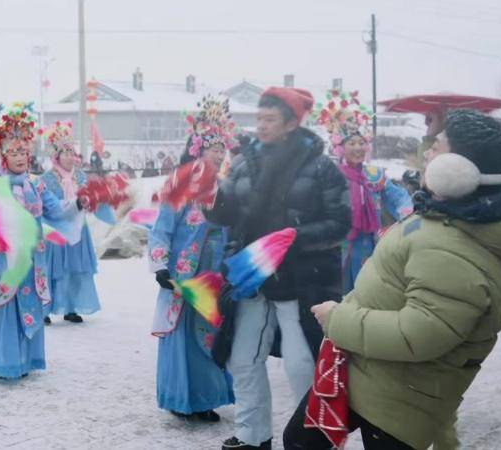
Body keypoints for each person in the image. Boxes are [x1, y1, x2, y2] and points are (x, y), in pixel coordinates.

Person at [284, 109, 501, 450]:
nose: (427, 153)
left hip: (398, 393)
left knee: (303, 441)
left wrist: (338, 319)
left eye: (437, 146)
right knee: (301, 439)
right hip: (369, 369)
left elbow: (419, 334)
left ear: (459, 172)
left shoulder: (455, 247)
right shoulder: (448, 214)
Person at [206, 87, 351, 450]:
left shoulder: (321, 167)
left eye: (270, 119)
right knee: (243, 357)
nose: (261, 126)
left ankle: (310, 439)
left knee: (302, 362)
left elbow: (340, 223)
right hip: (252, 277)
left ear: (291, 123)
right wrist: (209, 199)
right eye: (259, 118)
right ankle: (253, 435)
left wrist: (294, 237)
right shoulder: (243, 162)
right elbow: (227, 213)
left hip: (301, 279)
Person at [148, 96, 238, 423]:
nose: (219, 152)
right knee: (184, 335)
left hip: (215, 273)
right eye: (213, 146)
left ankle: (206, 396)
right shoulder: (180, 182)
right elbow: (162, 228)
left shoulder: (225, 185)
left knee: (210, 332)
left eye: (222, 147)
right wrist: (160, 265)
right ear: (198, 147)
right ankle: (183, 398)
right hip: (185, 274)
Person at [0, 103, 76, 379]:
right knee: (6, 306)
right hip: (3, 261)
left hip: (32, 259)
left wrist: (82, 202)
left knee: (28, 306)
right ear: (3, 155)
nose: (20, 157)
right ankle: (5, 362)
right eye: (14, 152)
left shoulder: (37, 184)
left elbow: (57, 211)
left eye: (24, 152)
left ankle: (26, 360)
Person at [313, 89, 413, 293]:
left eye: (362, 143)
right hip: (335, 244)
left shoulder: (374, 174)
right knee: (335, 292)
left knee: (365, 290)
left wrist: (405, 212)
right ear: (340, 147)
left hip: (367, 243)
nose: (358, 148)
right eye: (351, 143)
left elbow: (397, 196)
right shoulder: (329, 175)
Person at [40, 121, 101, 324]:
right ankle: (45, 308)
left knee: (75, 269)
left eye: (71, 153)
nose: (69, 157)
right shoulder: (47, 178)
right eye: (65, 153)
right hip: (56, 230)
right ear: (56, 156)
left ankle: (71, 307)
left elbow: (89, 199)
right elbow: (49, 204)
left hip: (79, 230)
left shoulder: (82, 176)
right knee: (52, 269)